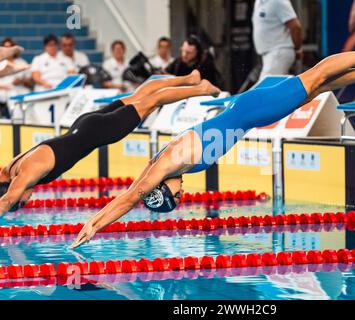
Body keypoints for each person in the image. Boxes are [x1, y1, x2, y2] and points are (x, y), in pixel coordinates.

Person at [70, 44, 355, 249]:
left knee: (312, 78)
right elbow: (133, 191)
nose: (182, 195)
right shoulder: (168, 167)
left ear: (163, 189)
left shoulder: (165, 166)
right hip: (249, 114)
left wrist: (94, 225)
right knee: (313, 90)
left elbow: (128, 198)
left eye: (176, 196)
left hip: (250, 111)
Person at [0, 70, 220, 215]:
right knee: (140, 96)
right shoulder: (13, 167)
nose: (27, 201)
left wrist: (9, 201)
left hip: (99, 131)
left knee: (152, 102)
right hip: (84, 125)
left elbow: (7, 199)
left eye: (22, 202)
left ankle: (202, 89)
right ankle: (189, 78)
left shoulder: (25, 173)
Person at [252, 0, 302, 81]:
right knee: (275, 88)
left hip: (279, 53)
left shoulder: (279, 1)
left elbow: (296, 27)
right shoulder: (258, 2)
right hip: (269, 55)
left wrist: (298, 50)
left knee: (265, 88)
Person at [0, 38, 31, 118]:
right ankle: (17, 121)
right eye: (5, 48)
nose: (7, 50)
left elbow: (30, 81)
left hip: (19, 89)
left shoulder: (21, 62)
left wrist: (21, 81)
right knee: (11, 94)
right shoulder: (1, 62)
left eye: (10, 48)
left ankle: (29, 121)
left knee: (27, 95)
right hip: (3, 90)